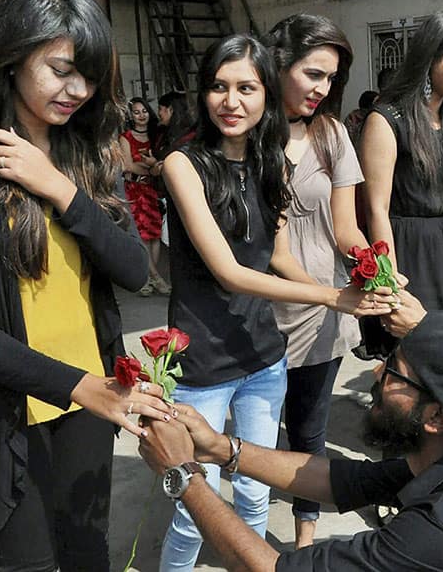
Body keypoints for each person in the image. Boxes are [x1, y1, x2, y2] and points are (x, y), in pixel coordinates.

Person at [0, 0, 174, 570]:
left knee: (88, 551)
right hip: (6, 408)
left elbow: (136, 270)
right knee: (30, 562)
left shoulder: (87, 154)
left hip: (90, 401)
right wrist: (88, 388)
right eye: (60, 69)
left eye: (88, 74)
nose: (78, 90)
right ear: (12, 57)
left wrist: (60, 189)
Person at [158, 34, 392, 571]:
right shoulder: (183, 164)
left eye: (246, 87)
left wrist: (362, 287)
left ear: (266, 94)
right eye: (219, 86)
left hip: (265, 357)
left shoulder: (271, 164)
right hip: (203, 364)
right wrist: (333, 296)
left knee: (256, 492)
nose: (231, 101)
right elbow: (231, 272)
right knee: (194, 506)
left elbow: (279, 256)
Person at [138, 310, 443, 571]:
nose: (375, 375)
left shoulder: (439, 534)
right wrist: (221, 449)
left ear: (437, 416)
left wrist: (184, 474)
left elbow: (268, 568)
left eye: (394, 372)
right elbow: (344, 480)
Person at [263, 13, 369, 548]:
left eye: (330, 78)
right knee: (253, 434)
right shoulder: (245, 130)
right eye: (312, 73)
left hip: (325, 309)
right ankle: (248, 527)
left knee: (309, 430)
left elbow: (347, 228)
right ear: (277, 62)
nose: (322, 88)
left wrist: (376, 269)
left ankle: (306, 535)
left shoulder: (332, 135)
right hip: (259, 308)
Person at [357, 11, 443, 358]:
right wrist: (389, 278)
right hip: (411, 252)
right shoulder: (386, 120)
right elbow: (377, 209)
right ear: (431, 55)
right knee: (412, 358)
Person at [120, 96, 169, 296]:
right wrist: (153, 168)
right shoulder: (125, 137)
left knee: (154, 234)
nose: (141, 115)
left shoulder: (156, 134)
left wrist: (152, 168)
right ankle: (156, 278)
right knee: (141, 235)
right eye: (136, 112)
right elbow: (128, 166)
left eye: (144, 111)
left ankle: (148, 278)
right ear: (131, 116)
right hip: (134, 189)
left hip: (153, 190)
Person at [155, 90, 195, 156]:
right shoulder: (163, 132)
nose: (159, 113)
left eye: (160, 109)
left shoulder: (186, 138)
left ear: (170, 110)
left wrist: (155, 163)